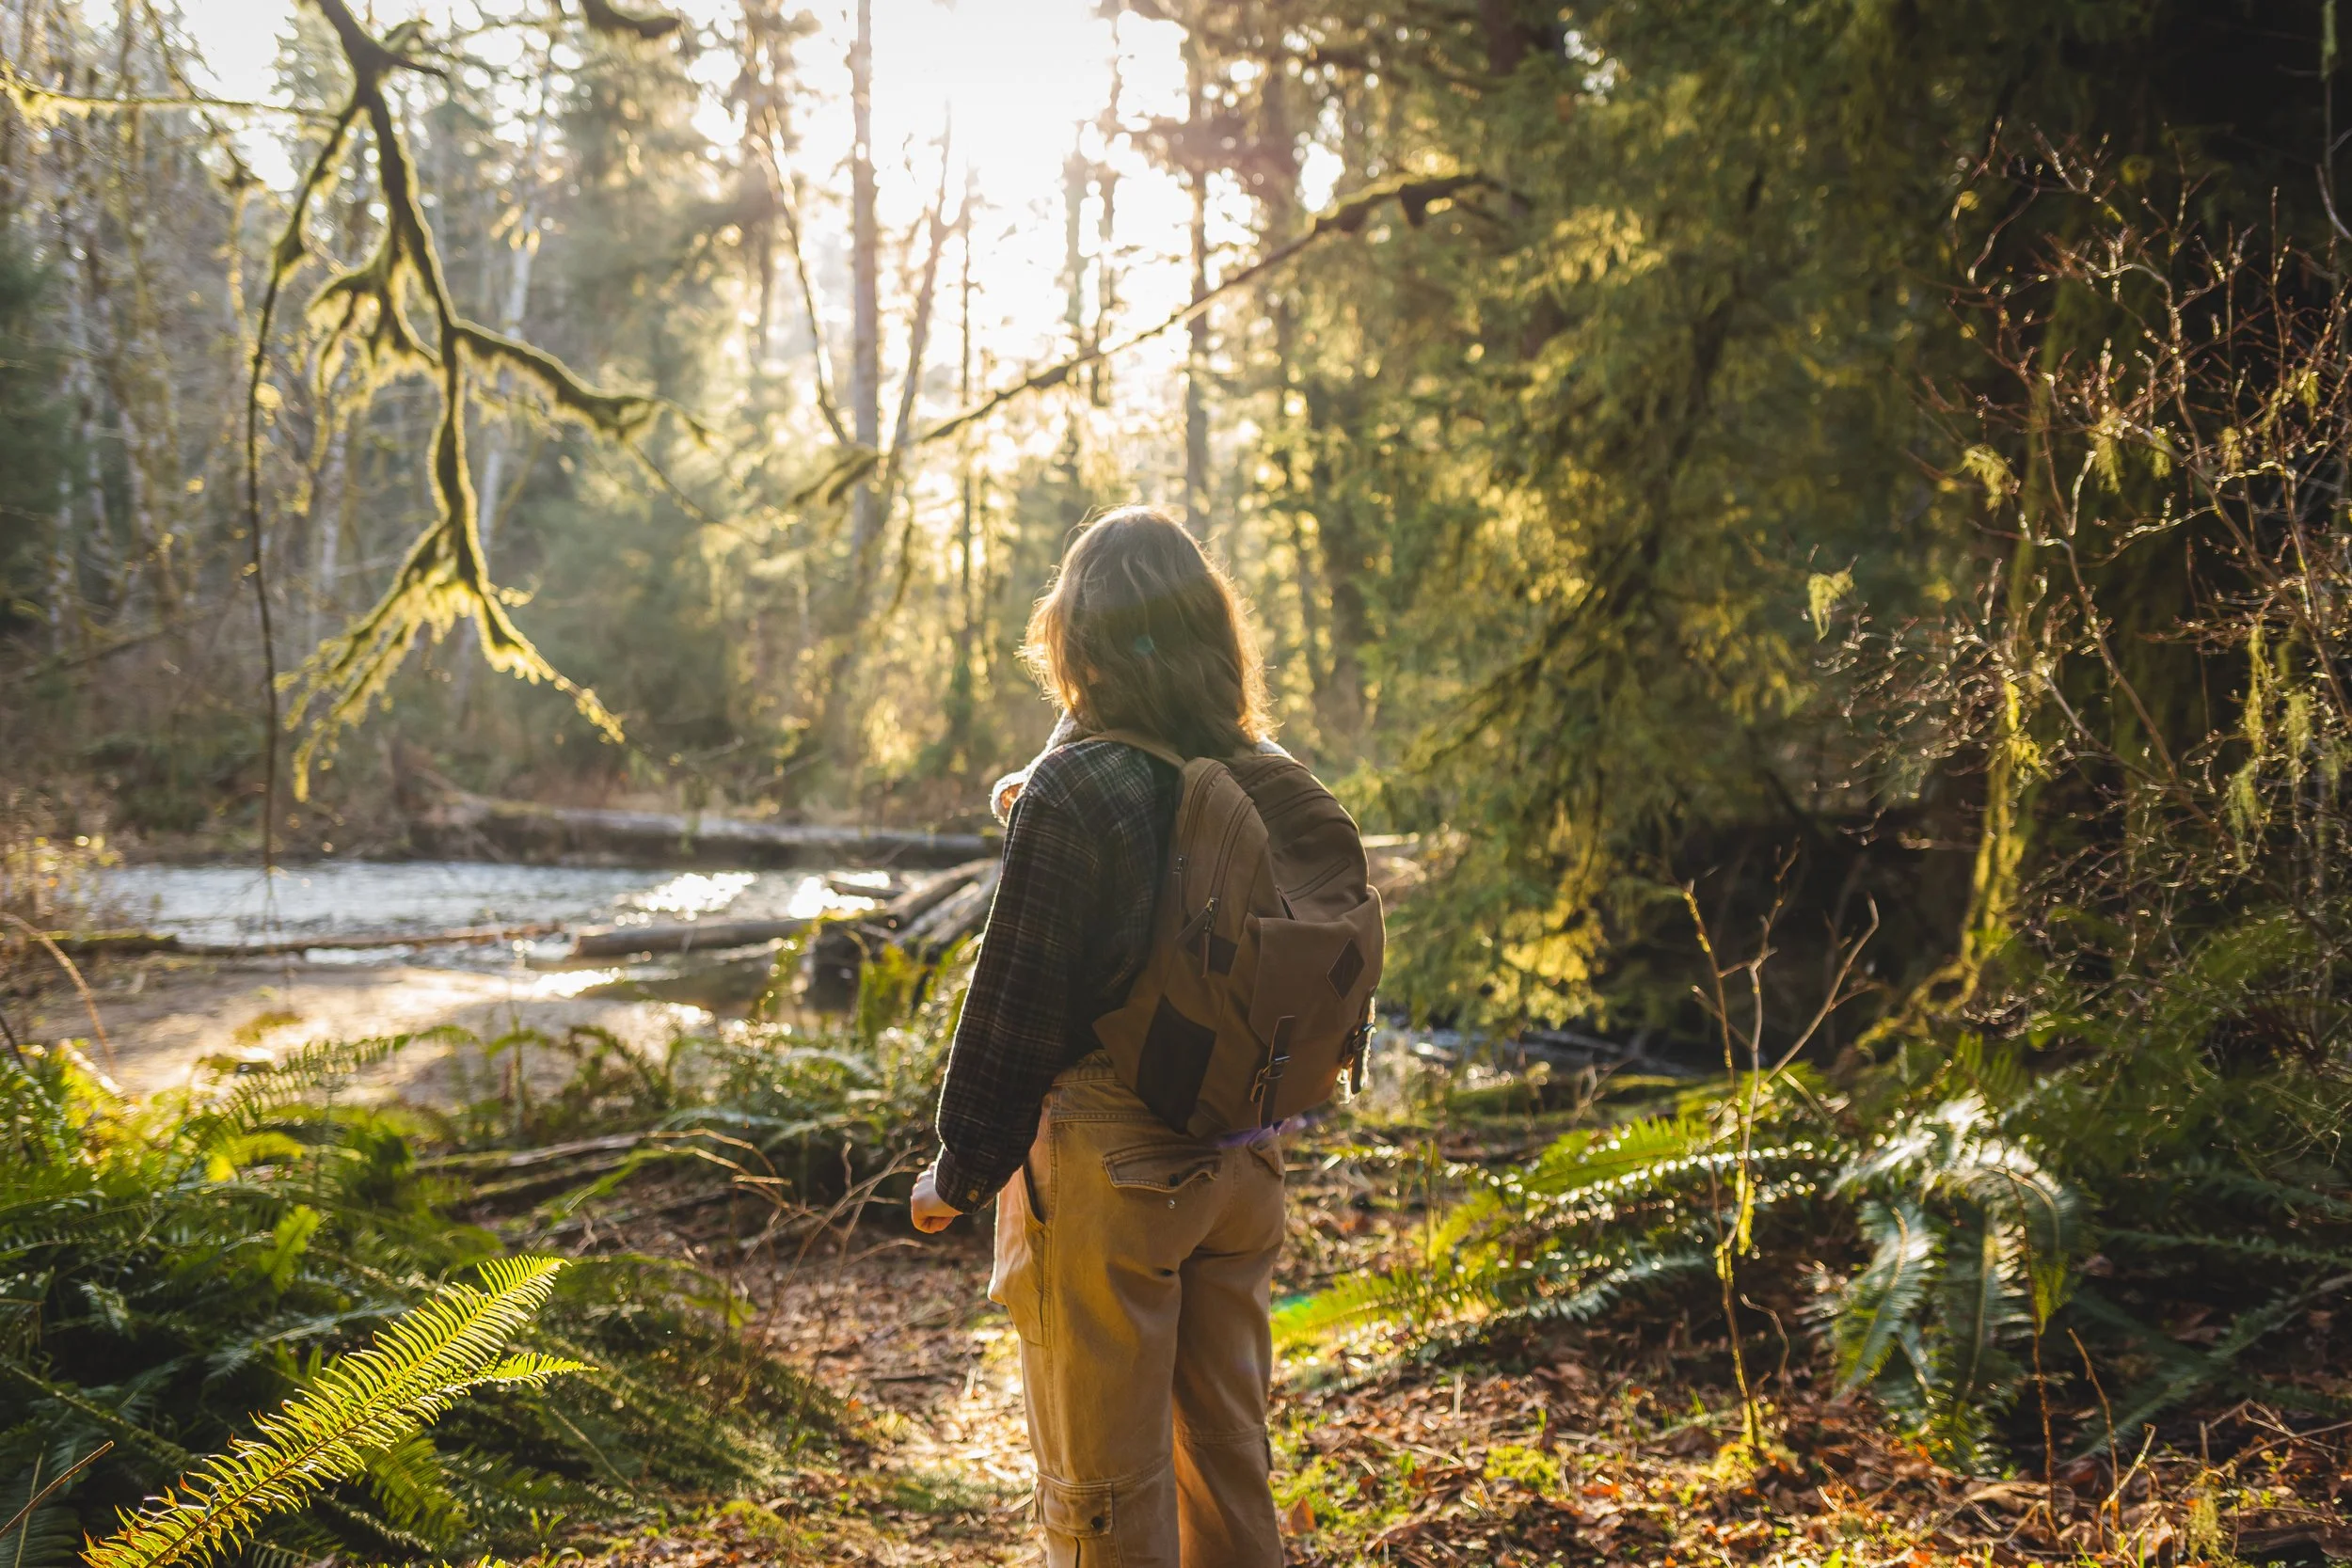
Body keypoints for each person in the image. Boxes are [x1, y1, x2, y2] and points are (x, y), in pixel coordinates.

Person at [909, 505, 1288, 1568]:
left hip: (1114, 1171)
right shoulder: (1259, 771)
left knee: (1103, 1492)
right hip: (1244, 1158)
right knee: (1226, 1464)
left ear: (1074, 635)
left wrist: (961, 1169)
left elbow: (1015, 1005)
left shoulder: (1082, 788)